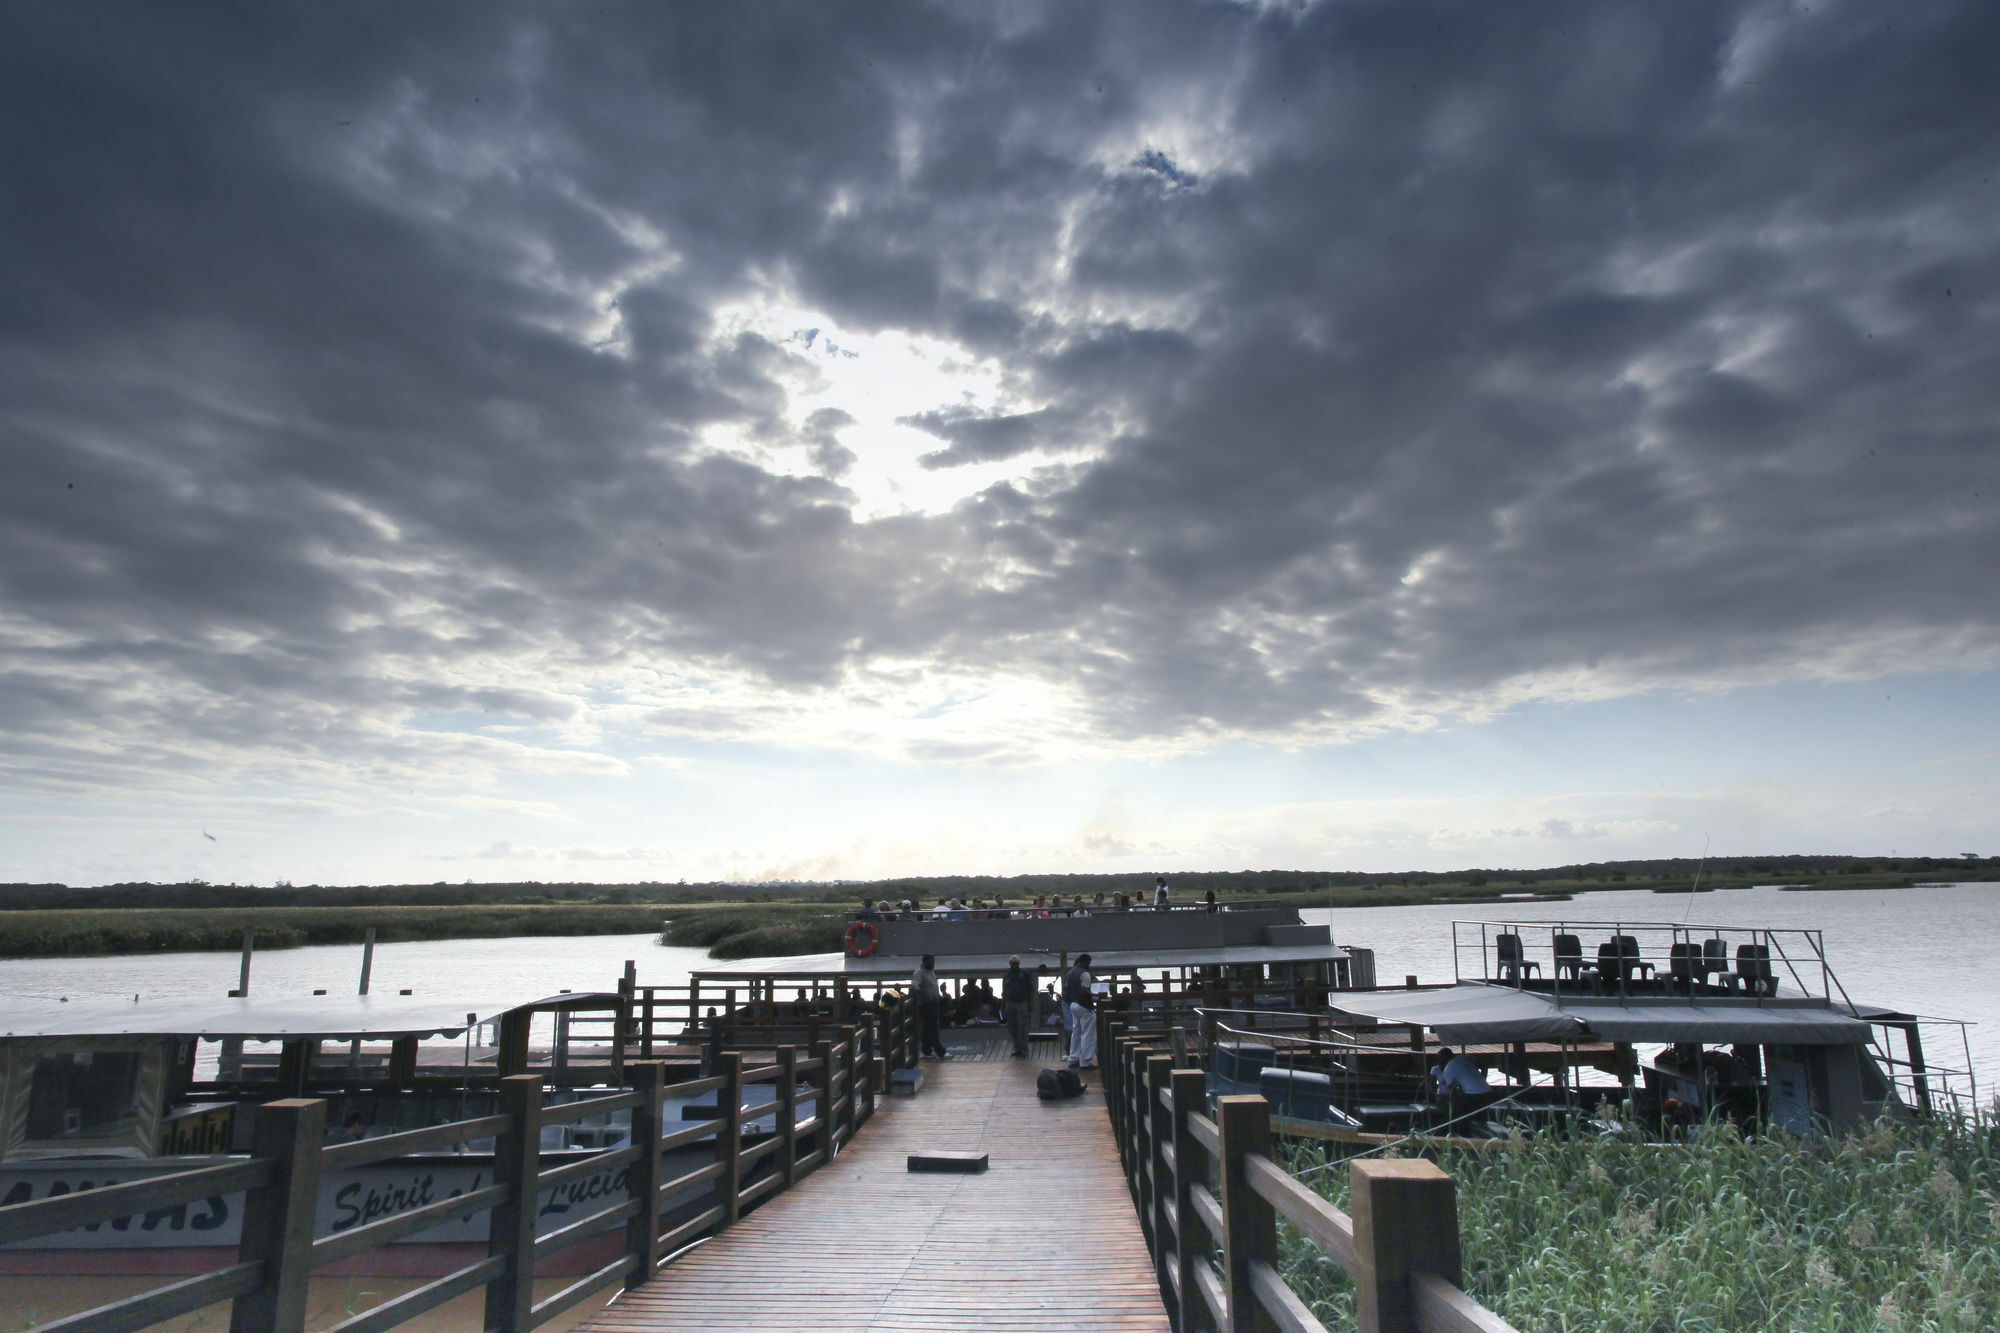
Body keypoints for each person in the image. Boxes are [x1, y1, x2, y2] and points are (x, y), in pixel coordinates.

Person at [1064, 952, 1098, 1069]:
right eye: (1089, 963)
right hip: (1084, 1005)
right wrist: (1095, 995)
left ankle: (1073, 1059)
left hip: (1073, 1004)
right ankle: (1086, 1061)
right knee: (1088, 1033)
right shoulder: (1085, 974)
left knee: (1076, 1032)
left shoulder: (1069, 973)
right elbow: (1084, 991)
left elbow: (1068, 990)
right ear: (1086, 961)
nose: (1089, 965)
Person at [912, 954, 948, 1059]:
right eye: (931, 961)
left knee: (928, 1029)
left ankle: (926, 1050)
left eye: (933, 962)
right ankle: (940, 1051)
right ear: (925, 961)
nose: (933, 964)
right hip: (925, 1004)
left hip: (934, 1003)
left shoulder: (931, 972)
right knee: (932, 1028)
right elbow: (915, 983)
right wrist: (917, 989)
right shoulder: (919, 973)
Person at [1001, 955, 1034, 1057]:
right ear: (1010, 964)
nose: (1014, 965)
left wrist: (1031, 1003)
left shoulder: (1025, 974)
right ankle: (1016, 1047)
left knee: (1023, 1026)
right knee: (1012, 1026)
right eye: (1012, 963)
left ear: (1019, 963)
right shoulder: (1007, 976)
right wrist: (1003, 1004)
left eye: (1016, 963)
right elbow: (1004, 990)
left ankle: (1024, 1048)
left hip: (1022, 1003)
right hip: (1010, 1003)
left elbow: (1031, 989)